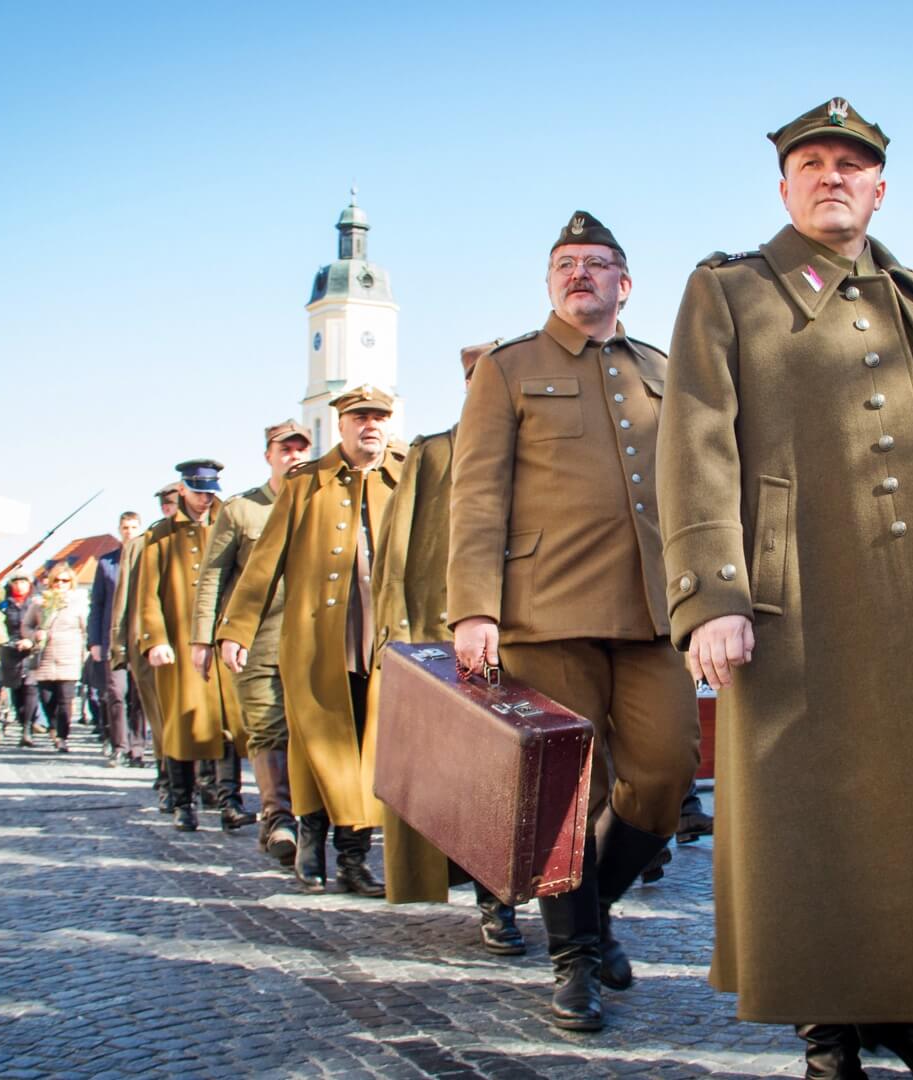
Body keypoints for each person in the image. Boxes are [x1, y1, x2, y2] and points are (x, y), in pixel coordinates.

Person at [657, 99, 913, 1075]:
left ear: (880, 187)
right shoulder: (731, 291)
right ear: (784, 184)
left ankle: (908, 1005)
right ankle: (828, 1028)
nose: (832, 176)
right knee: (811, 824)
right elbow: (695, 446)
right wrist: (712, 597)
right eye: (812, 163)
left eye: (851, 165)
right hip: (796, 608)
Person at [449, 212, 700, 1033]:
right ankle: (575, 963)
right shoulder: (509, 368)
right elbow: (478, 493)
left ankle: (593, 913)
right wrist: (476, 608)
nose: (579, 274)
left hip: (651, 613)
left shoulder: (663, 370)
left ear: (624, 286)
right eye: (565, 264)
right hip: (546, 609)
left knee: (663, 782)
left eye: (597, 264)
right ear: (550, 281)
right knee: (564, 797)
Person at [218, 386, 404, 897]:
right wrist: (237, 628)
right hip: (318, 641)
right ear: (340, 424)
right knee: (319, 749)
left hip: (384, 642)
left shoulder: (404, 478)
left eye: (380, 418)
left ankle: (352, 859)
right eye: (361, 417)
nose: (371, 426)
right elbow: (263, 564)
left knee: (369, 752)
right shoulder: (306, 484)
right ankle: (310, 842)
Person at [370, 342, 525, 954]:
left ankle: (507, 898)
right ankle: (490, 898)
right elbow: (398, 553)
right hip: (445, 634)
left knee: (510, 773)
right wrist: (400, 641)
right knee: (466, 772)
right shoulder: (433, 452)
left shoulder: (539, 443)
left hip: (525, 631)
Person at [191, 420, 313, 867]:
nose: (294, 455)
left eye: (302, 448)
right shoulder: (242, 509)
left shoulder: (321, 503)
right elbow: (213, 576)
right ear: (269, 455)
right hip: (256, 638)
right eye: (285, 448)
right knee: (266, 728)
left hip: (314, 638)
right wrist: (202, 638)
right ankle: (278, 818)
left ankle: (308, 822)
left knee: (311, 732)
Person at [135, 460, 247, 832]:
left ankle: (230, 801)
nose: (204, 499)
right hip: (179, 646)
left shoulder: (226, 525)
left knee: (228, 724)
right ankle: (183, 803)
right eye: (198, 492)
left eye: (210, 492)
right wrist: (155, 640)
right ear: (182, 490)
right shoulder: (160, 537)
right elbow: (147, 595)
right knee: (182, 725)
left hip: (221, 639)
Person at [122, 484, 183, 811]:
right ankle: (168, 779)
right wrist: (122, 645)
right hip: (150, 643)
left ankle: (198, 783)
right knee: (162, 718)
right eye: (173, 504)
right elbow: (128, 599)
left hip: (191, 642)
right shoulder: (143, 544)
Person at [89, 511, 148, 769]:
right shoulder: (106, 563)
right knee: (115, 693)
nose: (129, 531)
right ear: (119, 529)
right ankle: (119, 746)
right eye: (125, 527)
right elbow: (97, 604)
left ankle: (138, 748)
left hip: (140, 638)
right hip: (111, 638)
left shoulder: (148, 559)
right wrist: (95, 642)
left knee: (140, 696)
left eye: (134, 527)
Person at [29, 562, 89, 752]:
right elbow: (27, 625)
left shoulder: (79, 603)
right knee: (47, 698)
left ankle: (63, 736)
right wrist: (33, 635)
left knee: (65, 699)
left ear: (71, 583)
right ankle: (53, 728)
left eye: (65, 581)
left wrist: (85, 654)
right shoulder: (40, 603)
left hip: (69, 655)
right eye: (57, 580)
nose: (60, 584)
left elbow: (86, 629)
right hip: (45, 656)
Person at [0, 574, 41, 746]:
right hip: (12, 648)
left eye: (23, 582)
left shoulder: (36, 603)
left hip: (32, 648)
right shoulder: (5, 604)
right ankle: (22, 720)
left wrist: (31, 640)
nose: (20, 586)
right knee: (16, 689)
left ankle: (27, 728)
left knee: (31, 687)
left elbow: (41, 625)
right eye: (16, 582)